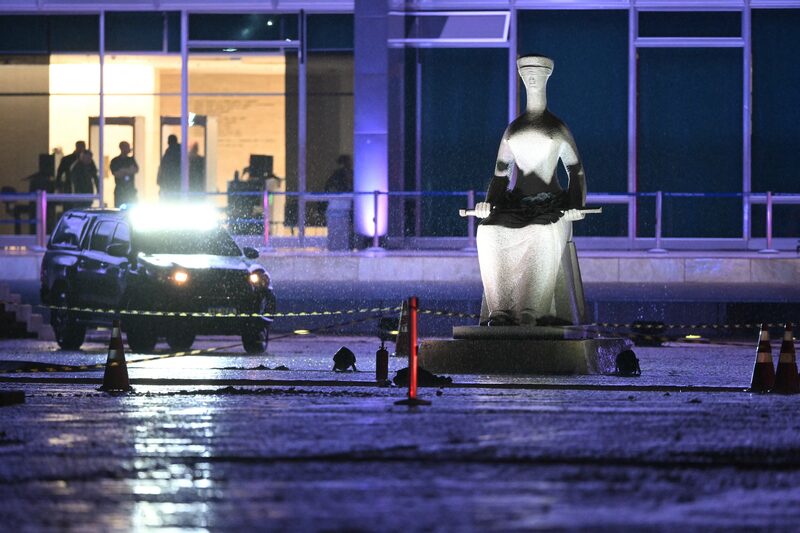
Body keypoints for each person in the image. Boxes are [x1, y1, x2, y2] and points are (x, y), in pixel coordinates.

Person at [473, 55, 587, 327]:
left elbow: (576, 171)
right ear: (522, 79)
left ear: (547, 77)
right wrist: (488, 204)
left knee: (540, 232)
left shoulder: (557, 128)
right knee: (487, 232)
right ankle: (500, 310)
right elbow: (501, 175)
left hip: (551, 207)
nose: (532, 78)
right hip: (516, 205)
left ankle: (530, 311)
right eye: (527, 74)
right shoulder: (513, 130)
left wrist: (575, 204)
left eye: (537, 74)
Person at [323, 154, 354, 250]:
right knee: (341, 233)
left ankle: (337, 248)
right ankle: (341, 248)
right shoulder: (342, 174)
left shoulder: (337, 175)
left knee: (337, 234)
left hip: (338, 207)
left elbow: (328, 188)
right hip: (341, 207)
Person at [110, 141, 139, 207]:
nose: (129, 149)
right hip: (120, 190)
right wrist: (128, 170)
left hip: (130, 190)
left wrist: (123, 171)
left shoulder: (131, 160)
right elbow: (116, 173)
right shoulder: (115, 161)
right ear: (122, 148)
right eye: (127, 147)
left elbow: (135, 169)